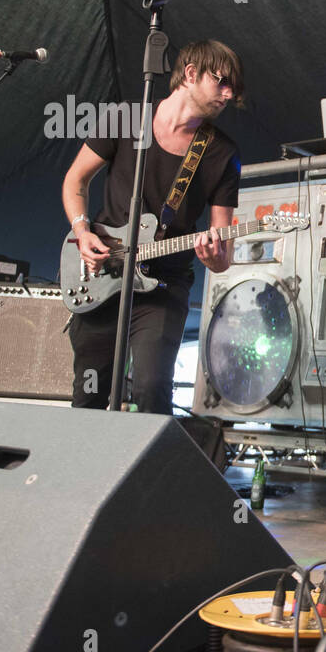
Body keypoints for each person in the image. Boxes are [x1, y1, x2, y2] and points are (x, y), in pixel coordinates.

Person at [61, 40, 243, 414]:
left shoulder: (222, 154)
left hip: (164, 284)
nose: (227, 94)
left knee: (152, 387)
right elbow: (75, 182)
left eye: (232, 89)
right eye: (221, 81)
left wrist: (214, 257)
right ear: (190, 73)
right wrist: (82, 232)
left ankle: (149, 471)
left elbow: (223, 254)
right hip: (103, 271)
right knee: (89, 394)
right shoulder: (126, 119)